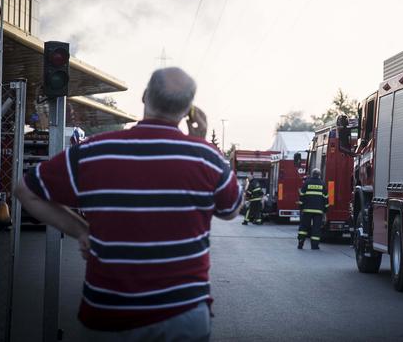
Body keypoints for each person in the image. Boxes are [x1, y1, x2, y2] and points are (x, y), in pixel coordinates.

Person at [15, 67, 242, 341]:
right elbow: (231, 210)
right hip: (184, 314)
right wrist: (200, 143)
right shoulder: (206, 158)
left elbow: (26, 191)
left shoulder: (92, 152)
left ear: (145, 96)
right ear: (188, 111)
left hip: (109, 313)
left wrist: (82, 231)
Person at [297, 168, 328, 250]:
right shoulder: (322, 184)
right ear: (319, 175)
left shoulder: (306, 183)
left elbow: (302, 196)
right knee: (316, 228)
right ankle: (314, 246)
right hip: (318, 211)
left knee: (303, 227)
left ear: (312, 174)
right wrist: (325, 210)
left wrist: (301, 207)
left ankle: (301, 242)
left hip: (307, 210)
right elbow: (326, 198)